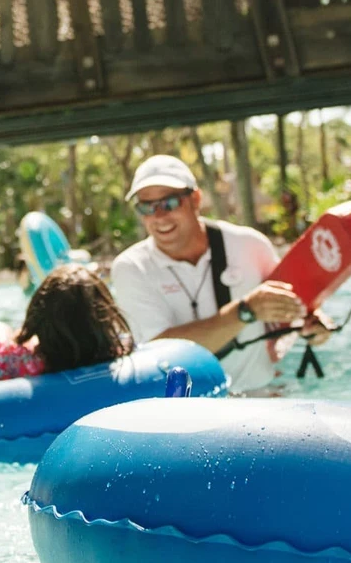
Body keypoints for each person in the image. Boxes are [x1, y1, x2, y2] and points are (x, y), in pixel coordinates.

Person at [111, 154, 332, 394]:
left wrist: (315, 325)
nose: (159, 216)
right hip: (189, 413)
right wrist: (245, 312)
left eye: (169, 203)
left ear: (196, 199)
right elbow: (163, 354)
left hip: (261, 397)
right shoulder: (130, 268)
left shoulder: (250, 244)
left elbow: (291, 305)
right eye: (146, 207)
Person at [0, 264, 134, 391]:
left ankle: (18, 334)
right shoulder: (117, 348)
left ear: (37, 316)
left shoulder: (10, 361)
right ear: (105, 314)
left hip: (17, 351)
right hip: (38, 349)